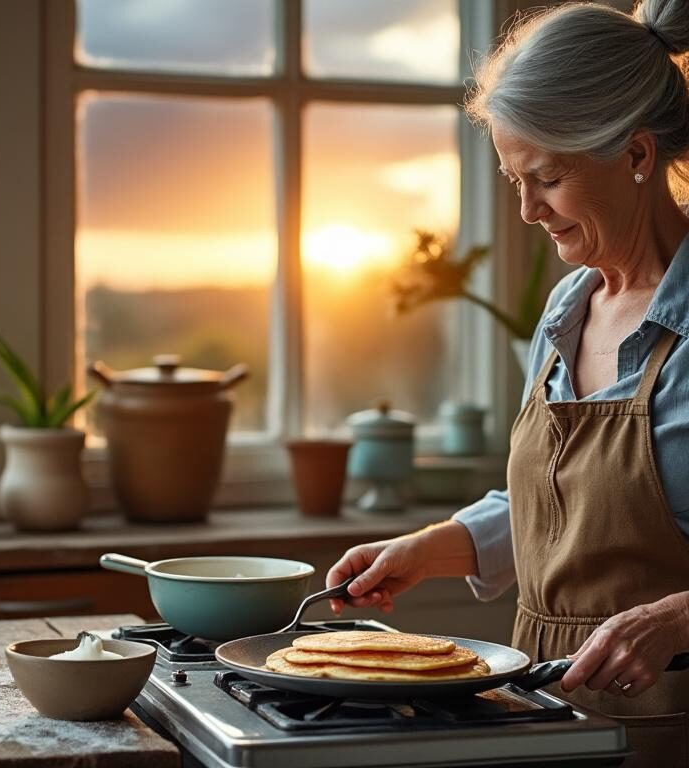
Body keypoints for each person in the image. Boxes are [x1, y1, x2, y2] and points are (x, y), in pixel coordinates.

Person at [326, 2, 689, 765]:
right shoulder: (567, 310)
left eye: (548, 179)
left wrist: (675, 621)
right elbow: (564, 507)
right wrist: (433, 548)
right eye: (513, 179)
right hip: (548, 720)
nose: (527, 211)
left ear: (636, 155)